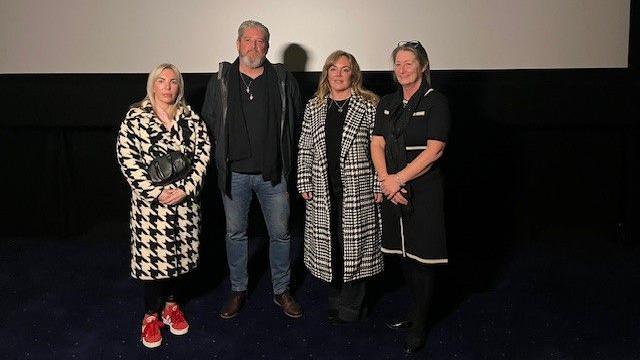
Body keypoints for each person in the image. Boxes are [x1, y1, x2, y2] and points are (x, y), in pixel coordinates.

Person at [201, 20, 303, 319]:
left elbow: (295, 125)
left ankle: (282, 291)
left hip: (274, 175)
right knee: (235, 234)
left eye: (260, 42)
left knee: (281, 235)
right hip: (234, 176)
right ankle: (238, 289)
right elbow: (207, 124)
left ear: (267, 46)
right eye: (248, 40)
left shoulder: (283, 79)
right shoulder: (221, 80)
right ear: (238, 44)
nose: (254, 47)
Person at [116, 63, 211, 348]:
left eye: (173, 82)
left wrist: (185, 189)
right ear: (152, 85)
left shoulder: (189, 117)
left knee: (180, 260)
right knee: (152, 266)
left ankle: (172, 306)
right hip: (151, 209)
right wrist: (156, 193)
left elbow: (203, 153)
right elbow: (127, 159)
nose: (167, 87)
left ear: (179, 86)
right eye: (162, 81)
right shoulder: (135, 117)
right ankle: (150, 315)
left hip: (184, 206)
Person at [370, 41, 451, 354]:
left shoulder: (436, 101)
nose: (402, 69)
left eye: (409, 63)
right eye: (398, 64)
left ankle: (420, 322)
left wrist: (398, 180)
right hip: (393, 189)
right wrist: (387, 182)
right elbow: (377, 142)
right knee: (403, 254)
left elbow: (435, 150)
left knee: (422, 257)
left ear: (423, 67)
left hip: (423, 190)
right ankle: (414, 312)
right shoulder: (389, 101)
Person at [297, 51, 383, 324]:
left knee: (356, 248)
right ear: (326, 73)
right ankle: (336, 300)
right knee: (330, 247)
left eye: (344, 69)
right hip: (323, 189)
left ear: (353, 74)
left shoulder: (369, 105)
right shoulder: (315, 106)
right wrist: (303, 179)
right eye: (333, 69)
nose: (338, 74)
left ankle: (353, 307)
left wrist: (378, 183)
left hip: (358, 189)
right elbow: (305, 147)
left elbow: (380, 150)